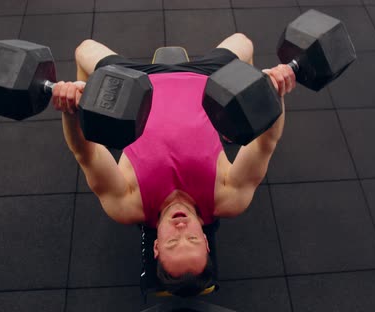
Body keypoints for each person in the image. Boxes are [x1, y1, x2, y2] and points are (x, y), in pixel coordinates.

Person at [51, 33, 296, 296]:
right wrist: (270, 93)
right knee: (244, 43)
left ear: (156, 247)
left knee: (84, 49)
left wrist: (75, 108)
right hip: (206, 80)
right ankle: (235, 112)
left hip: (136, 81)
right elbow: (265, 143)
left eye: (171, 242)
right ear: (206, 242)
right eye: (191, 238)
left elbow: (85, 154)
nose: (181, 229)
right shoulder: (228, 198)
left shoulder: (127, 204)